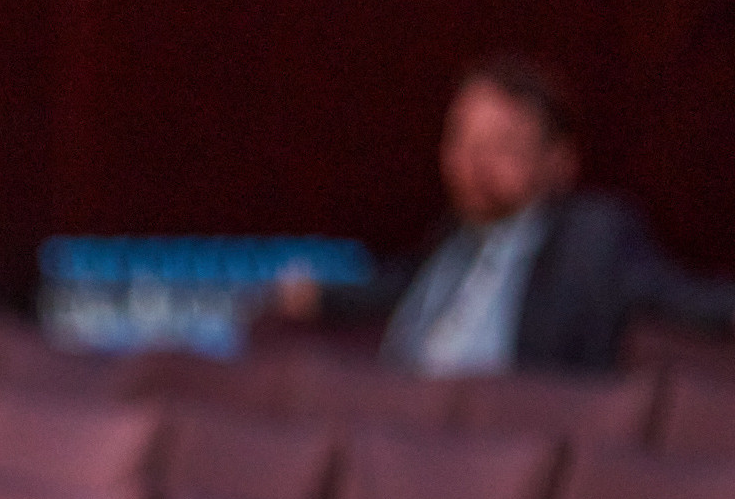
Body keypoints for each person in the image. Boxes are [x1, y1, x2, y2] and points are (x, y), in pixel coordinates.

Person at [279, 53, 735, 374]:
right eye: (461, 142)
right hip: (403, 428)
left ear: (558, 161)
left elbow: (680, 297)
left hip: (502, 447)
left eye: (501, 146)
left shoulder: (592, 239)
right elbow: (401, 283)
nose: (473, 164)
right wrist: (320, 297)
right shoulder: (453, 234)